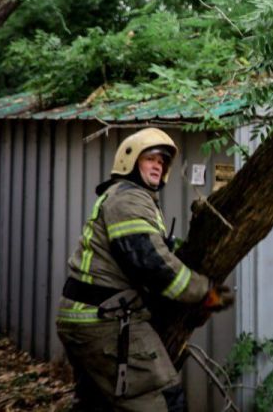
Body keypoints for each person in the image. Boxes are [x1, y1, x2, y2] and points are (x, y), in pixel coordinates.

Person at [56, 128, 234, 411]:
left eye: (161, 161)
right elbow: (152, 265)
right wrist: (205, 292)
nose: (157, 165)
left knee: (96, 404)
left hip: (89, 316)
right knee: (163, 399)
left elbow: (151, 247)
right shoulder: (128, 199)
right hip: (104, 322)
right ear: (129, 161)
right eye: (150, 158)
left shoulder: (130, 199)